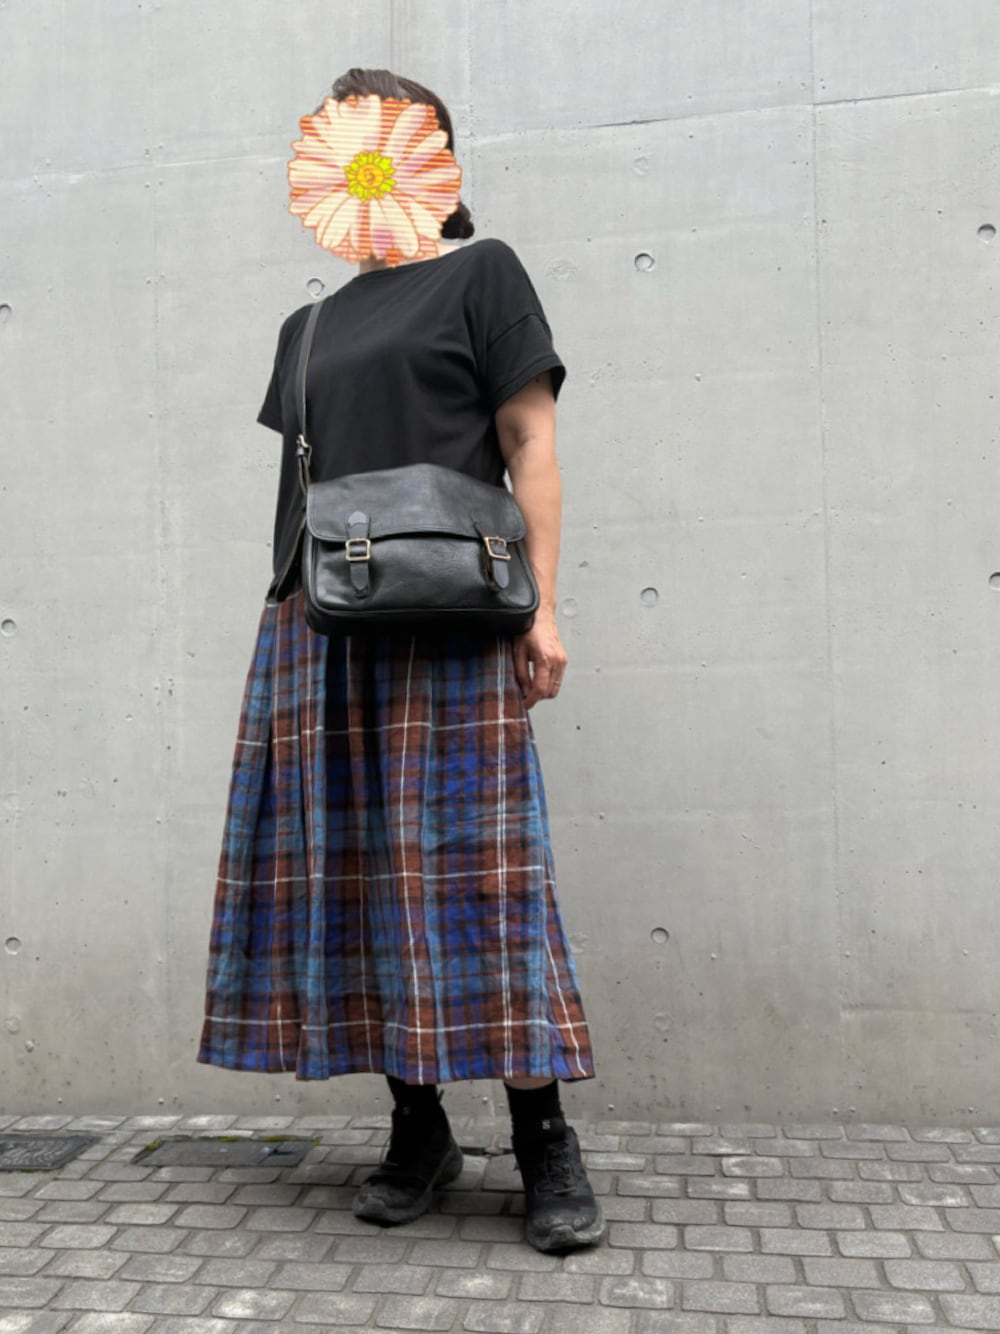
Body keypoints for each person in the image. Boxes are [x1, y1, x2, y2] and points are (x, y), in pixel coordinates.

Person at [197, 67, 605, 1253]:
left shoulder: (484, 274)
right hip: (318, 629)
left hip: (452, 626)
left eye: (378, 140)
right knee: (354, 879)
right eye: (339, 145)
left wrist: (543, 608)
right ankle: (416, 1126)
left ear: (427, 154)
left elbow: (530, 442)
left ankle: (543, 1137)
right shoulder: (309, 327)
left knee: (485, 879)